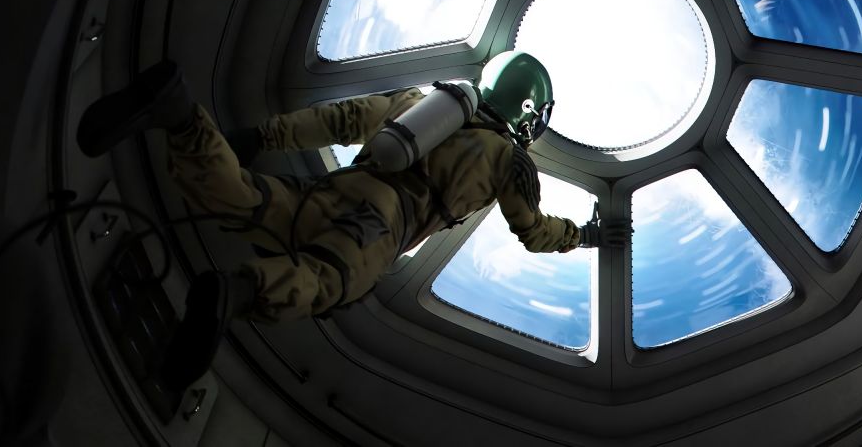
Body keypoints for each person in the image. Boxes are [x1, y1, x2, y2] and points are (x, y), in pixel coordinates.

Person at [76, 50, 629, 390]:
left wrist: (259, 138)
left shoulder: (423, 101)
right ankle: (238, 291)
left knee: (242, 200)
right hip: (386, 221)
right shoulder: (509, 160)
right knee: (330, 279)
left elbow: (339, 120)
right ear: (530, 114)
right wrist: (584, 235)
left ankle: (178, 114)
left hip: (336, 186)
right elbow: (532, 232)